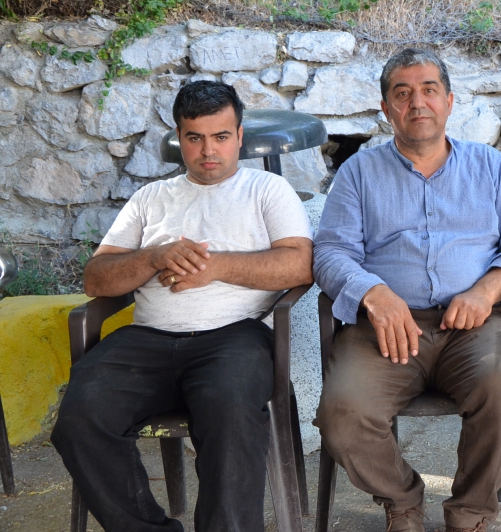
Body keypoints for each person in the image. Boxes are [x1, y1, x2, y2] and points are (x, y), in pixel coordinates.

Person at [51, 81, 314, 532]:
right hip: (146, 340)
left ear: (240, 135)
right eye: (195, 138)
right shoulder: (151, 198)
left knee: (231, 417)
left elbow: (299, 265)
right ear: (179, 137)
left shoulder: (267, 190)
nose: (208, 150)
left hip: (234, 337)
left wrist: (214, 268)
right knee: (79, 419)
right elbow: (96, 279)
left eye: (221, 136)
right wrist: (154, 256)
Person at [312, 48, 501, 532]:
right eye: (402, 93)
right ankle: (403, 500)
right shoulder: (359, 173)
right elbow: (331, 253)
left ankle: (471, 512)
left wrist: (487, 289)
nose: (417, 102)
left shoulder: (488, 166)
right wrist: (374, 294)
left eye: (428, 90)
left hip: (475, 327)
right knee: (342, 414)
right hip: (385, 330)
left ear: (449, 101)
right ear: (386, 109)